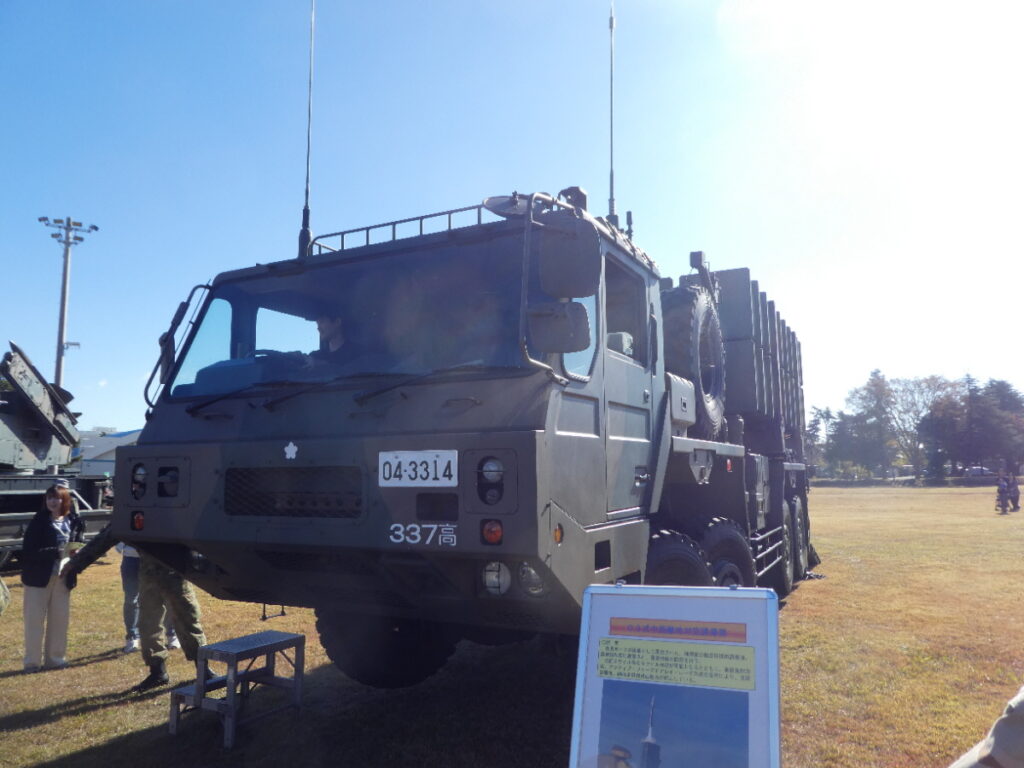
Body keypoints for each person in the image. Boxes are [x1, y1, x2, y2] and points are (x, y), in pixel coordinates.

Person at [63, 522, 207, 691]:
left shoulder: (174, 502)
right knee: (148, 624)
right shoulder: (139, 503)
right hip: (148, 572)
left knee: (187, 619)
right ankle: (157, 671)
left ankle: (204, 671)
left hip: (175, 571)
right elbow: (110, 533)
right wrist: (77, 564)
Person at [21, 482, 85, 672]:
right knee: (34, 621)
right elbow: (29, 551)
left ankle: (55, 660)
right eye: (49, 497)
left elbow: (79, 544)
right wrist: (55, 552)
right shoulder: (39, 521)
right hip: (38, 578)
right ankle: (32, 663)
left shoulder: (74, 521)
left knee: (59, 621)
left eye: (56, 497)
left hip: (63, 578)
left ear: (65, 500)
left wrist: (77, 552)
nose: (52, 501)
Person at [117, 540, 179, 653]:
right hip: (131, 558)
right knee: (131, 599)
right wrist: (121, 544)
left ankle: (172, 635)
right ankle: (132, 637)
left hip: (157, 556)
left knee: (167, 597)